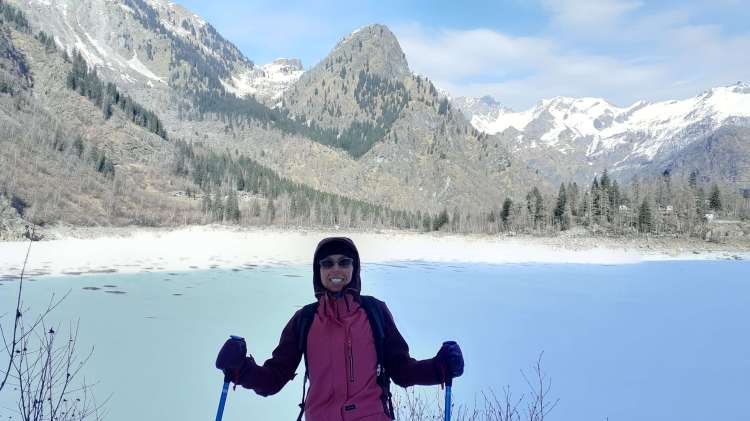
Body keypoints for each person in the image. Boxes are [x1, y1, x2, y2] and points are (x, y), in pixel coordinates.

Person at [215, 236, 464, 421]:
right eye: (327, 263)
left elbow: (402, 370)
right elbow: (274, 378)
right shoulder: (305, 320)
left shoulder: (375, 312)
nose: (336, 269)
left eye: (344, 262)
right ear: (319, 271)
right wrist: (241, 370)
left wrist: (438, 368)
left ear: (354, 268)